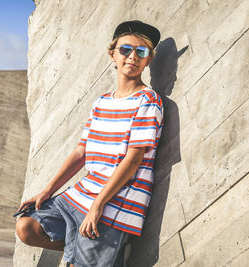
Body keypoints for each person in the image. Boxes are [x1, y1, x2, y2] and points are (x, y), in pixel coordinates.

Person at [16, 20, 164, 267]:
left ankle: (98, 254)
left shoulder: (148, 101)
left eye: (142, 52)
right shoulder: (101, 102)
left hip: (116, 200)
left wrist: (98, 206)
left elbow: (133, 160)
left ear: (148, 60)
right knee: (26, 228)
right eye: (126, 50)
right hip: (82, 194)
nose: (133, 57)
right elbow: (81, 151)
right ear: (113, 54)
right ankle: (100, 255)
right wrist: (48, 190)